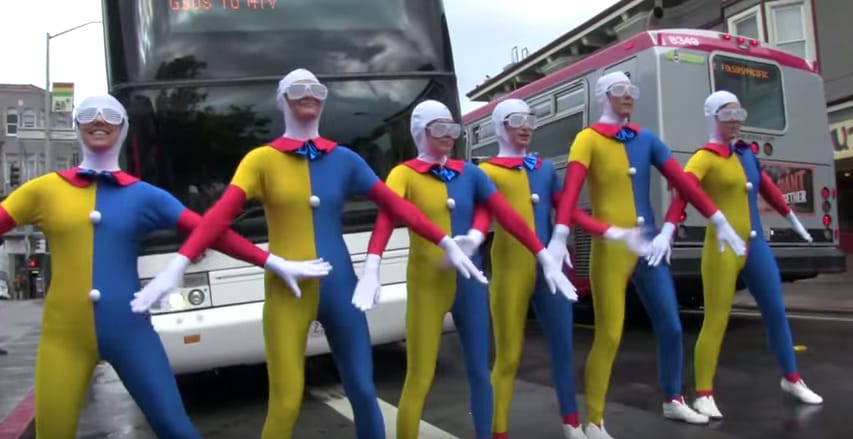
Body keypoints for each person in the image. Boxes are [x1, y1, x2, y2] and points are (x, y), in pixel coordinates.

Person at [132, 68, 487, 439]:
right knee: (285, 401)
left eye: (317, 89)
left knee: (364, 391)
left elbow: (397, 207)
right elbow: (218, 217)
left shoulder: (345, 159)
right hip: (288, 289)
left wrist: (441, 242)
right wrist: (182, 263)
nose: (309, 95)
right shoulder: (261, 160)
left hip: (342, 289)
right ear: (282, 97)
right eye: (298, 88)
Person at [0, 94, 330, 438]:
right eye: (88, 114)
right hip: (63, 339)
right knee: (52, 433)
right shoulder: (43, 191)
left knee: (176, 428)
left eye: (110, 115)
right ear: (76, 124)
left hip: (132, 333)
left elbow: (210, 231)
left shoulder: (144, 195)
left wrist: (273, 261)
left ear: (124, 128)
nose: (99, 120)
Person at [354, 100, 575, 439]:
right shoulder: (405, 173)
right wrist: (372, 266)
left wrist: (543, 253)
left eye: (452, 128)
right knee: (420, 375)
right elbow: (388, 216)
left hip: (471, 283)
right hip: (429, 282)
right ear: (420, 132)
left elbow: (506, 214)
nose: (448, 135)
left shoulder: (470, 173)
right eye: (438, 128)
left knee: (479, 370)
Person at [548, 72, 749, 439]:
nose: (628, 97)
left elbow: (684, 181)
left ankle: (673, 399)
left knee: (671, 326)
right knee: (609, 333)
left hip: (650, 246)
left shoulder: (647, 140)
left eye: (631, 90)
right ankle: (593, 419)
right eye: (619, 90)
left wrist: (713, 220)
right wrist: (563, 234)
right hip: (612, 247)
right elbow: (571, 193)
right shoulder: (588, 139)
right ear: (603, 95)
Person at [465, 98, 646, 439]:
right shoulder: (486, 172)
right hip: (510, 270)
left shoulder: (544, 169)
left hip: (553, 270)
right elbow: (484, 216)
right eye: (518, 119)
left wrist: (606, 230)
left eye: (530, 119)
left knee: (564, 347)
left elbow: (567, 209)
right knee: (508, 355)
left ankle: (572, 423)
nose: (526, 126)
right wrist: (472, 240)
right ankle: (497, 431)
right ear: (501, 124)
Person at [663, 90, 823, 419]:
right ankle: (703, 393)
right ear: (712, 117)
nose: (735, 121)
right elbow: (683, 191)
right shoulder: (704, 157)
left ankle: (792, 378)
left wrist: (793, 219)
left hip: (755, 245)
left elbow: (767, 187)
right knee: (716, 319)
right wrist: (668, 228)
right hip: (722, 247)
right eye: (727, 114)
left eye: (739, 114)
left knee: (776, 312)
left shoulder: (746, 154)